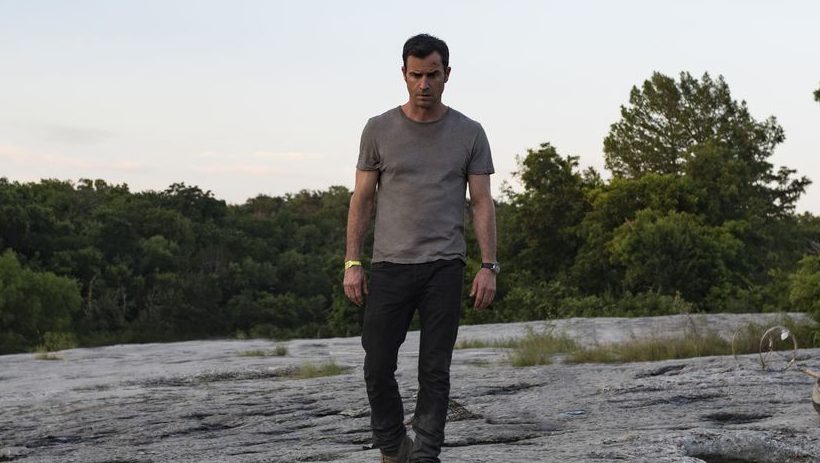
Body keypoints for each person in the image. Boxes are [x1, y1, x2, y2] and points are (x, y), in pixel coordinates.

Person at [343, 33, 499, 463]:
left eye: (432, 75)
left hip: (444, 266)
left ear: (447, 74)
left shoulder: (469, 132)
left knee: (434, 367)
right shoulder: (378, 129)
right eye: (416, 75)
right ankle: (394, 446)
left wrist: (488, 266)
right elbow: (362, 199)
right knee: (377, 365)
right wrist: (352, 261)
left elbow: (481, 202)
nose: (424, 84)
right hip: (390, 264)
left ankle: (427, 453)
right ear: (403, 74)